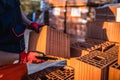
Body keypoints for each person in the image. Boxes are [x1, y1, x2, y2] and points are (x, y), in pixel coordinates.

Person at [0, 0, 45, 66]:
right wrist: (23, 58)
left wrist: (29, 23)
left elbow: (16, 8)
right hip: (4, 66)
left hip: (19, 57)